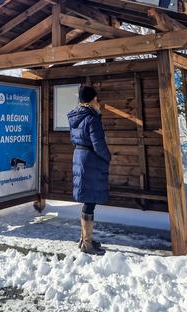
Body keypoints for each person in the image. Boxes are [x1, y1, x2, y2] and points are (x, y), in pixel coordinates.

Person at [67, 85, 111, 255]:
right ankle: (87, 243)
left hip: (80, 156)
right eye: (96, 98)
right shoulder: (92, 118)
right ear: (92, 99)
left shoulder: (76, 116)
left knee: (87, 198)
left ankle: (85, 239)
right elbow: (98, 144)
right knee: (90, 200)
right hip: (90, 159)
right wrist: (107, 157)